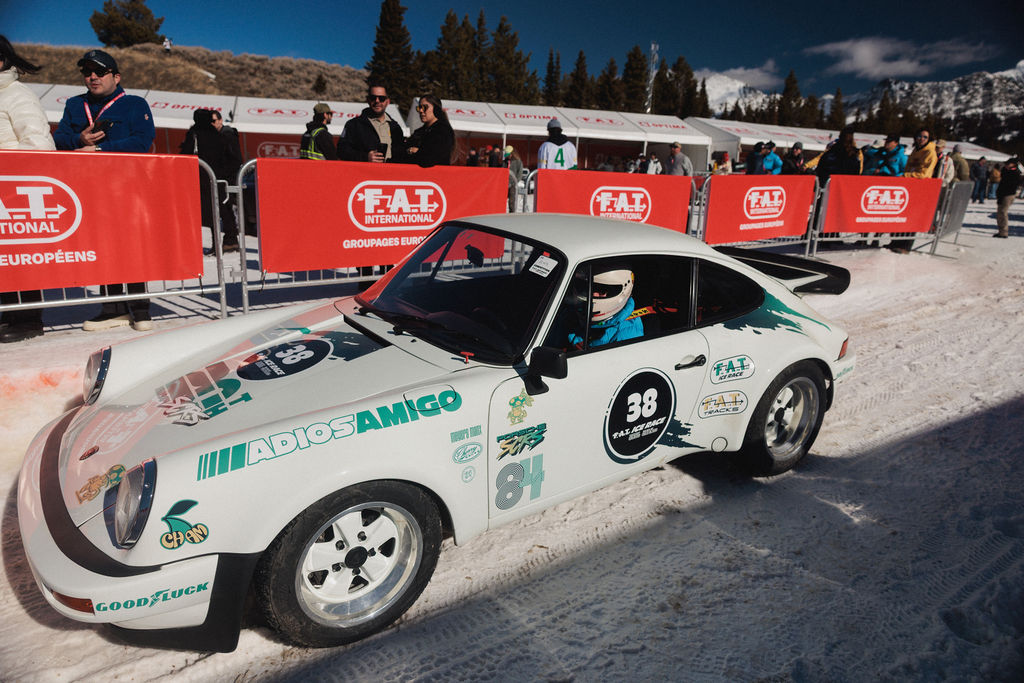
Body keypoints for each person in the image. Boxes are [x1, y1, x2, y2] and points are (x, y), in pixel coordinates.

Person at [54, 49, 156, 332]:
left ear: (116, 77)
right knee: (103, 247)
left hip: (128, 188)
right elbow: (59, 138)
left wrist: (99, 148)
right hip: (89, 189)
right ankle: (112, 309)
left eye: (99, 72)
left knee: (131, 247)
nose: (92, 77)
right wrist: (78, 138)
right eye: (87, 72)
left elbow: (142, 141)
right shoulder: (75, 104)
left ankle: (139, 308)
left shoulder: (135, 104)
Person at [0, 36, 56, 344]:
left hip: (14, 189)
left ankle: (27, 318)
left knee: (20, 255)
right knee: (3, 258)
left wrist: (14, 177)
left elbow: (38, 144)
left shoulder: (17, 94)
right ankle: (9, 313)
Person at [180, 109, 242, 252]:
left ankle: (211, 244)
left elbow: (185, 153)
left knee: (204, 212)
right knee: (220, 211)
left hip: (203, 179)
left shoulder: (195, 134)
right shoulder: (217, 135)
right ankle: (226, 241)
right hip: (217, 178)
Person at [568, 267, 643, 348]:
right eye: (588, 287)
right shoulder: (571, 311)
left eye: (602, 290)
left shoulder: (626, 335)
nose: (593, 295)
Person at [338, 83, 405, 163]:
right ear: (368, 100)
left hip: (390, 174)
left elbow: (401, 154)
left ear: (387, 102)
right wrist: (365, 157)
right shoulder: (354, 125)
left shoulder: (395, 127)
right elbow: (341, 151)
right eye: (373, 98)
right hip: (364, 174)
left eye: (381, 98)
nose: (377, 101)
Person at [404, 93, 454, 167]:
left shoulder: (443, 131)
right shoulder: (419, 132)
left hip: (436, 175)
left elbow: (429, 159)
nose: (421, 111)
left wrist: (416, 151)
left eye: (425, 107)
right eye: (419, 108)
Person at [994, 157, 1020, 238]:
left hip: (1008, 194)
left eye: (1008, 164)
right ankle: (1001, 231)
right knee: (1000, 213)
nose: (1006, 165)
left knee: (1003, 212)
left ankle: (1004, 232)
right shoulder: (1007, 171)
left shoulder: (1014, 173)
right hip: (1003, 194)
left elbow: (1009, 184)